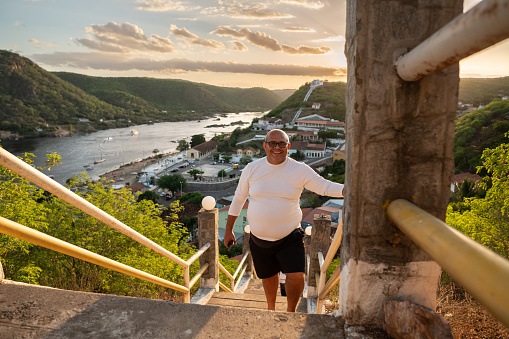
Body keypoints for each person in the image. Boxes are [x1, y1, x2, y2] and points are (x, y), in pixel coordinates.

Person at [224, 129, 344, 312]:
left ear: (288, 147)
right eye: (272, 143)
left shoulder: (299, 169)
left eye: (281, 144)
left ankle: (291, 313)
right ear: (265, 146)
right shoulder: (252, 169)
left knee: (297, 276)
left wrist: (349, 188)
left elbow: (324, 186)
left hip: (290, 236)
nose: (276, 147)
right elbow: (239, 199)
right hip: (258, 238)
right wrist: (228, 230)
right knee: (268, 276)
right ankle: (270, 310)